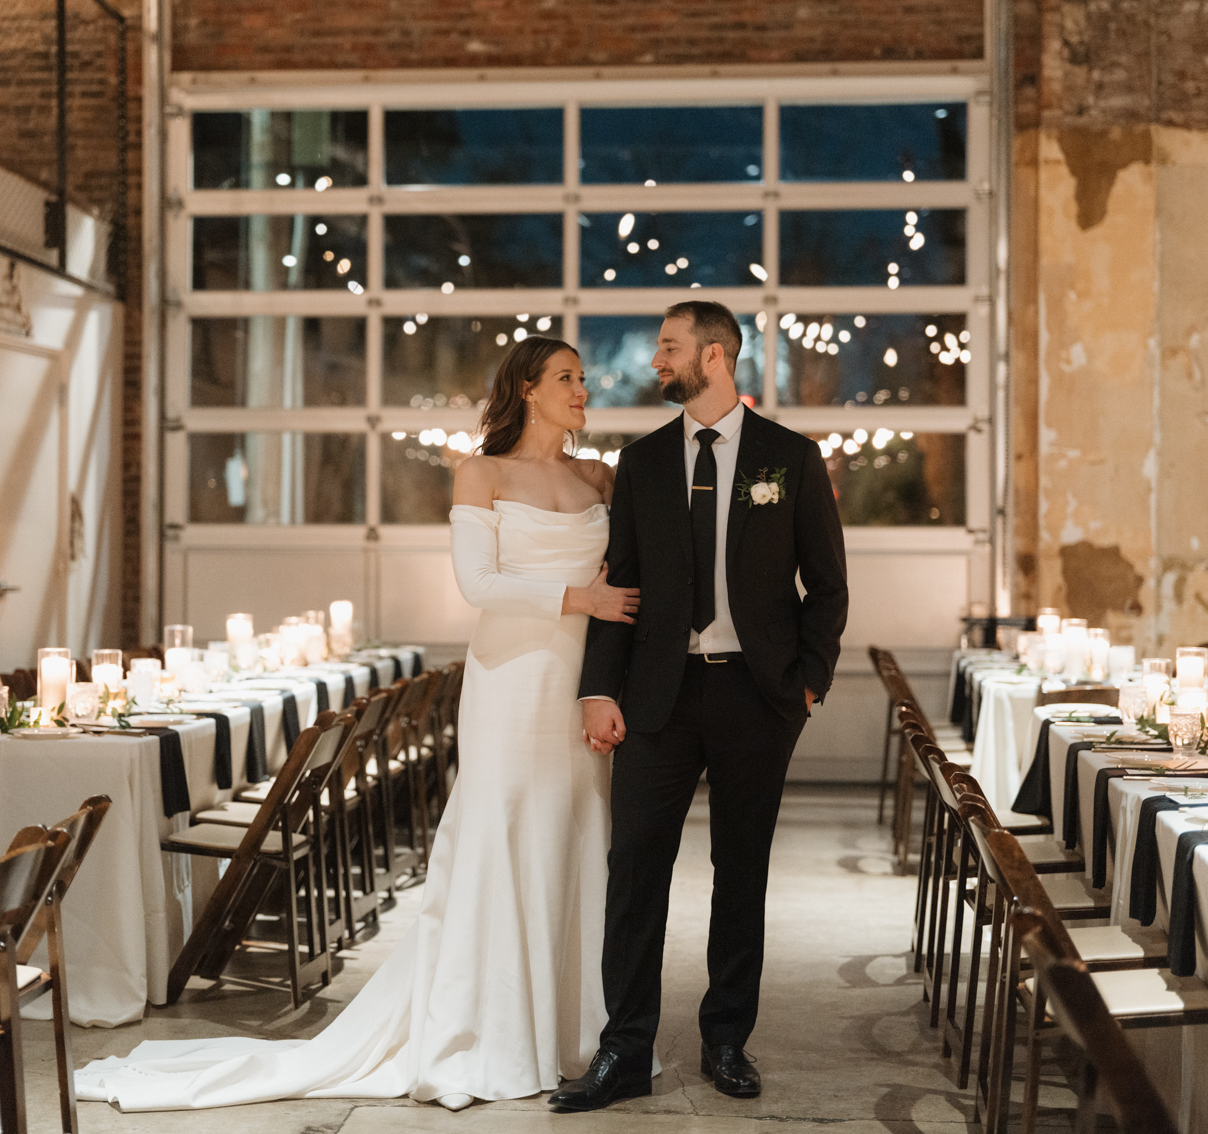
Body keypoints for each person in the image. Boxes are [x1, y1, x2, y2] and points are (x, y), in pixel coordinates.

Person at [75, 336, 636, 1113]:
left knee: (572, 835)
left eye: (583, 375)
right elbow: (479, 582)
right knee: (501, 834)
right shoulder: (483, 471)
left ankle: (566, 1031)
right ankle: (489, 1032)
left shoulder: (597, 477)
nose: (583, 387)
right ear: (528, 389)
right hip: (510, 681)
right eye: (568, 377)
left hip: (575, 683)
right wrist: (580, 598)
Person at [549, 300, 848, 1113]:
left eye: (669, 347)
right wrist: (600, 687)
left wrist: (807, 682)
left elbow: (827, 586)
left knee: (740, 869)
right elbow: (622, 586)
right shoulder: (643, 462)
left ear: (715, 356)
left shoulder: (790, 456)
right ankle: (626, 1049)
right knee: (635, 868)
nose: (656, 360)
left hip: (758, 694)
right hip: (659, 695)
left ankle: (726, 1039)